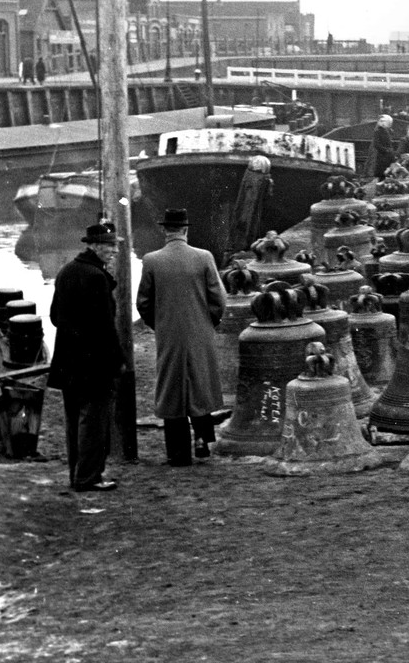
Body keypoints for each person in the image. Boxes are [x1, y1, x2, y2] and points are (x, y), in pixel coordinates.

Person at [137, 209, 227, 465]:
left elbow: (143, 302)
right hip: (201, 332)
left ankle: (178, 454)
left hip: (169, 334)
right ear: (186, 231)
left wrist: (160, 325)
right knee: (200, 383)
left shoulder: (151, 260)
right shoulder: (204, 257)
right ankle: (202, 442)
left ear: (165, 231)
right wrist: (209, 322)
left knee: (172, 388)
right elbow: (218, 299)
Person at [48, 222, 127, 490]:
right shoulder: (96, 277)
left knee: (73, 420)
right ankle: (89, 477)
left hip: (68, 360)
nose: (114, 251)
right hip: (94, 362)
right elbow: (105, 327)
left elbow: (54, 317)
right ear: (93, 246)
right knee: (93, 421)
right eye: (109, 246)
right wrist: (117, 360)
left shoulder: (66, 271)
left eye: (115, 245)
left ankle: (77, 474)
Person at [229, 155, 273, 256]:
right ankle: (242, 244)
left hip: (246, 216)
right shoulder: (264, 179)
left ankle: (239, 245)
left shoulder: (251, 179)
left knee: (245, 218)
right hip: (248, 216)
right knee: (246, 218)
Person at [372, 114, 396, 179]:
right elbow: (376, 144)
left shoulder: (387, 131)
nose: (383, 123)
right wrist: (386, 150)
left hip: (389, 156)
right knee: (382, 174)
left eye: (384, 121)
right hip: (382, 156)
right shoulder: (378, 131)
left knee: (389, 173)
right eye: (381, 121)